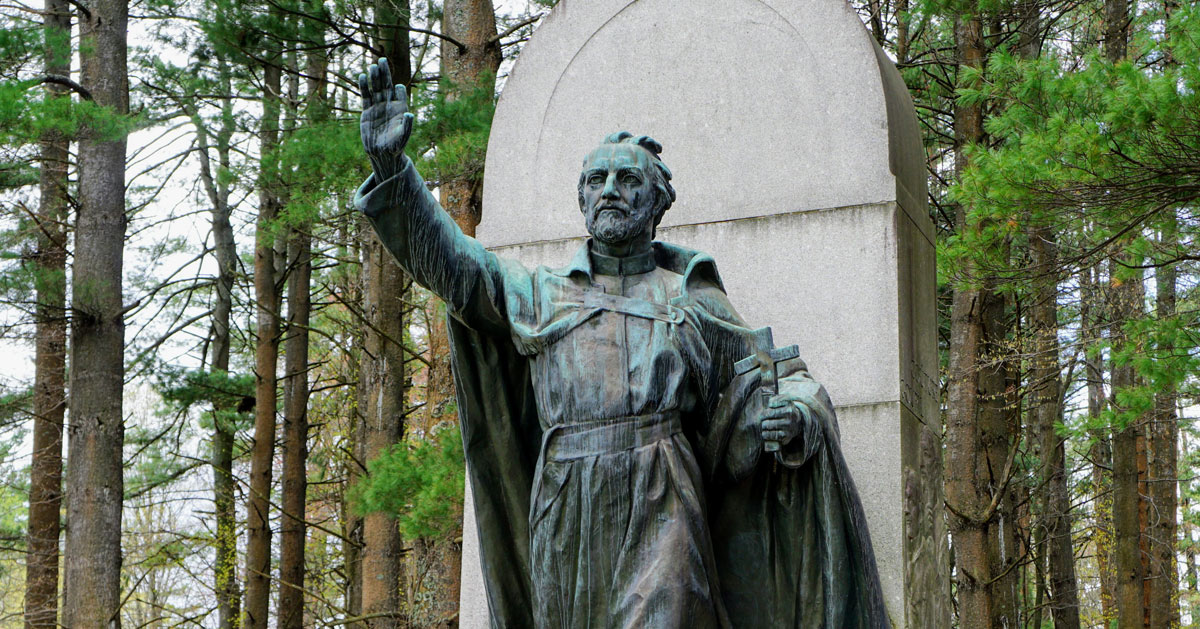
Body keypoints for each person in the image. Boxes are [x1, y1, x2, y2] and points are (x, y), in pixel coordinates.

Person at [356, 59, 887, 629]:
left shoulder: (689, 299)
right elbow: (459, 269)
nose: (610, 191)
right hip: (566, 505)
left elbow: (775, 376)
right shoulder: (540, 295)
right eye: (596, 181)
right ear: (582, 200)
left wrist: (799, 417)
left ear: (657, 204)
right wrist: (396, 175)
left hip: (663, 499)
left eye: (629, 181)